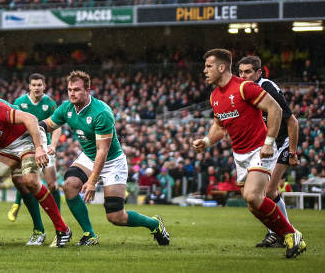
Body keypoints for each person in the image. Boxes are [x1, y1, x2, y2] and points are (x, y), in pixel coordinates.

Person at [192, 49, 305, 258]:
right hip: (240, 155)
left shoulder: (245, 87)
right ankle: (286, 235)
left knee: (254, 195)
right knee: (253, 205)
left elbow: (276, 110)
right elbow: (219, 126)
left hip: (259, 150)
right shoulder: (215, 96)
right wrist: (206, 141)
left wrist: (269, 143)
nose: (204, 71)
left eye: (208, 66)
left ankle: (292, 235)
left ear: (221, 67)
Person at [42, 71, 170, 247]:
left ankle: (154, 224)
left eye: (77, 90)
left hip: (112, 162)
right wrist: (26, 126)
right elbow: (47, 125)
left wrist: (92, 181)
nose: (72, 93)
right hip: (89, 156)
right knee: (70, 184)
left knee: (116, 216)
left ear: (88, 90)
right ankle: (89, 234)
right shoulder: (66, 108)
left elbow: (103, 151)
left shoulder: (101, 112)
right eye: (69, 89)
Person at [0, 102, 71, 247]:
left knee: (30, 181)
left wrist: (40, 148)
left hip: (29, 139)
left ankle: (63, 229)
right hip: (9, 147)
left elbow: (31, 119)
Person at [238, 55, 301, 248]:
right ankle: (280, 233)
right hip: (264, 145)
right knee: (265, 193)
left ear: (258, 72)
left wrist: (292, 152)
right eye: (240, 72)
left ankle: (283, 233)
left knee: (268, 191)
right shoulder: (244, 91)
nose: (243, 76)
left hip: (280, 143)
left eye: (248, 71)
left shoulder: (266, 87)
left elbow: (292, 121)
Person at [9, 73, 61, 246]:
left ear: (44, 86)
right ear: (29, 86)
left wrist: (52, 145)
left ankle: (58, 223)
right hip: (24, 146)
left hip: (44, 146)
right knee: (26, 182)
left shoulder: (50, 104)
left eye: (39, 84)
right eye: (34, 85)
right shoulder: (20, 102)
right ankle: (38, 229)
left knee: (53, 184)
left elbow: (57, 126)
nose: (37, 87)